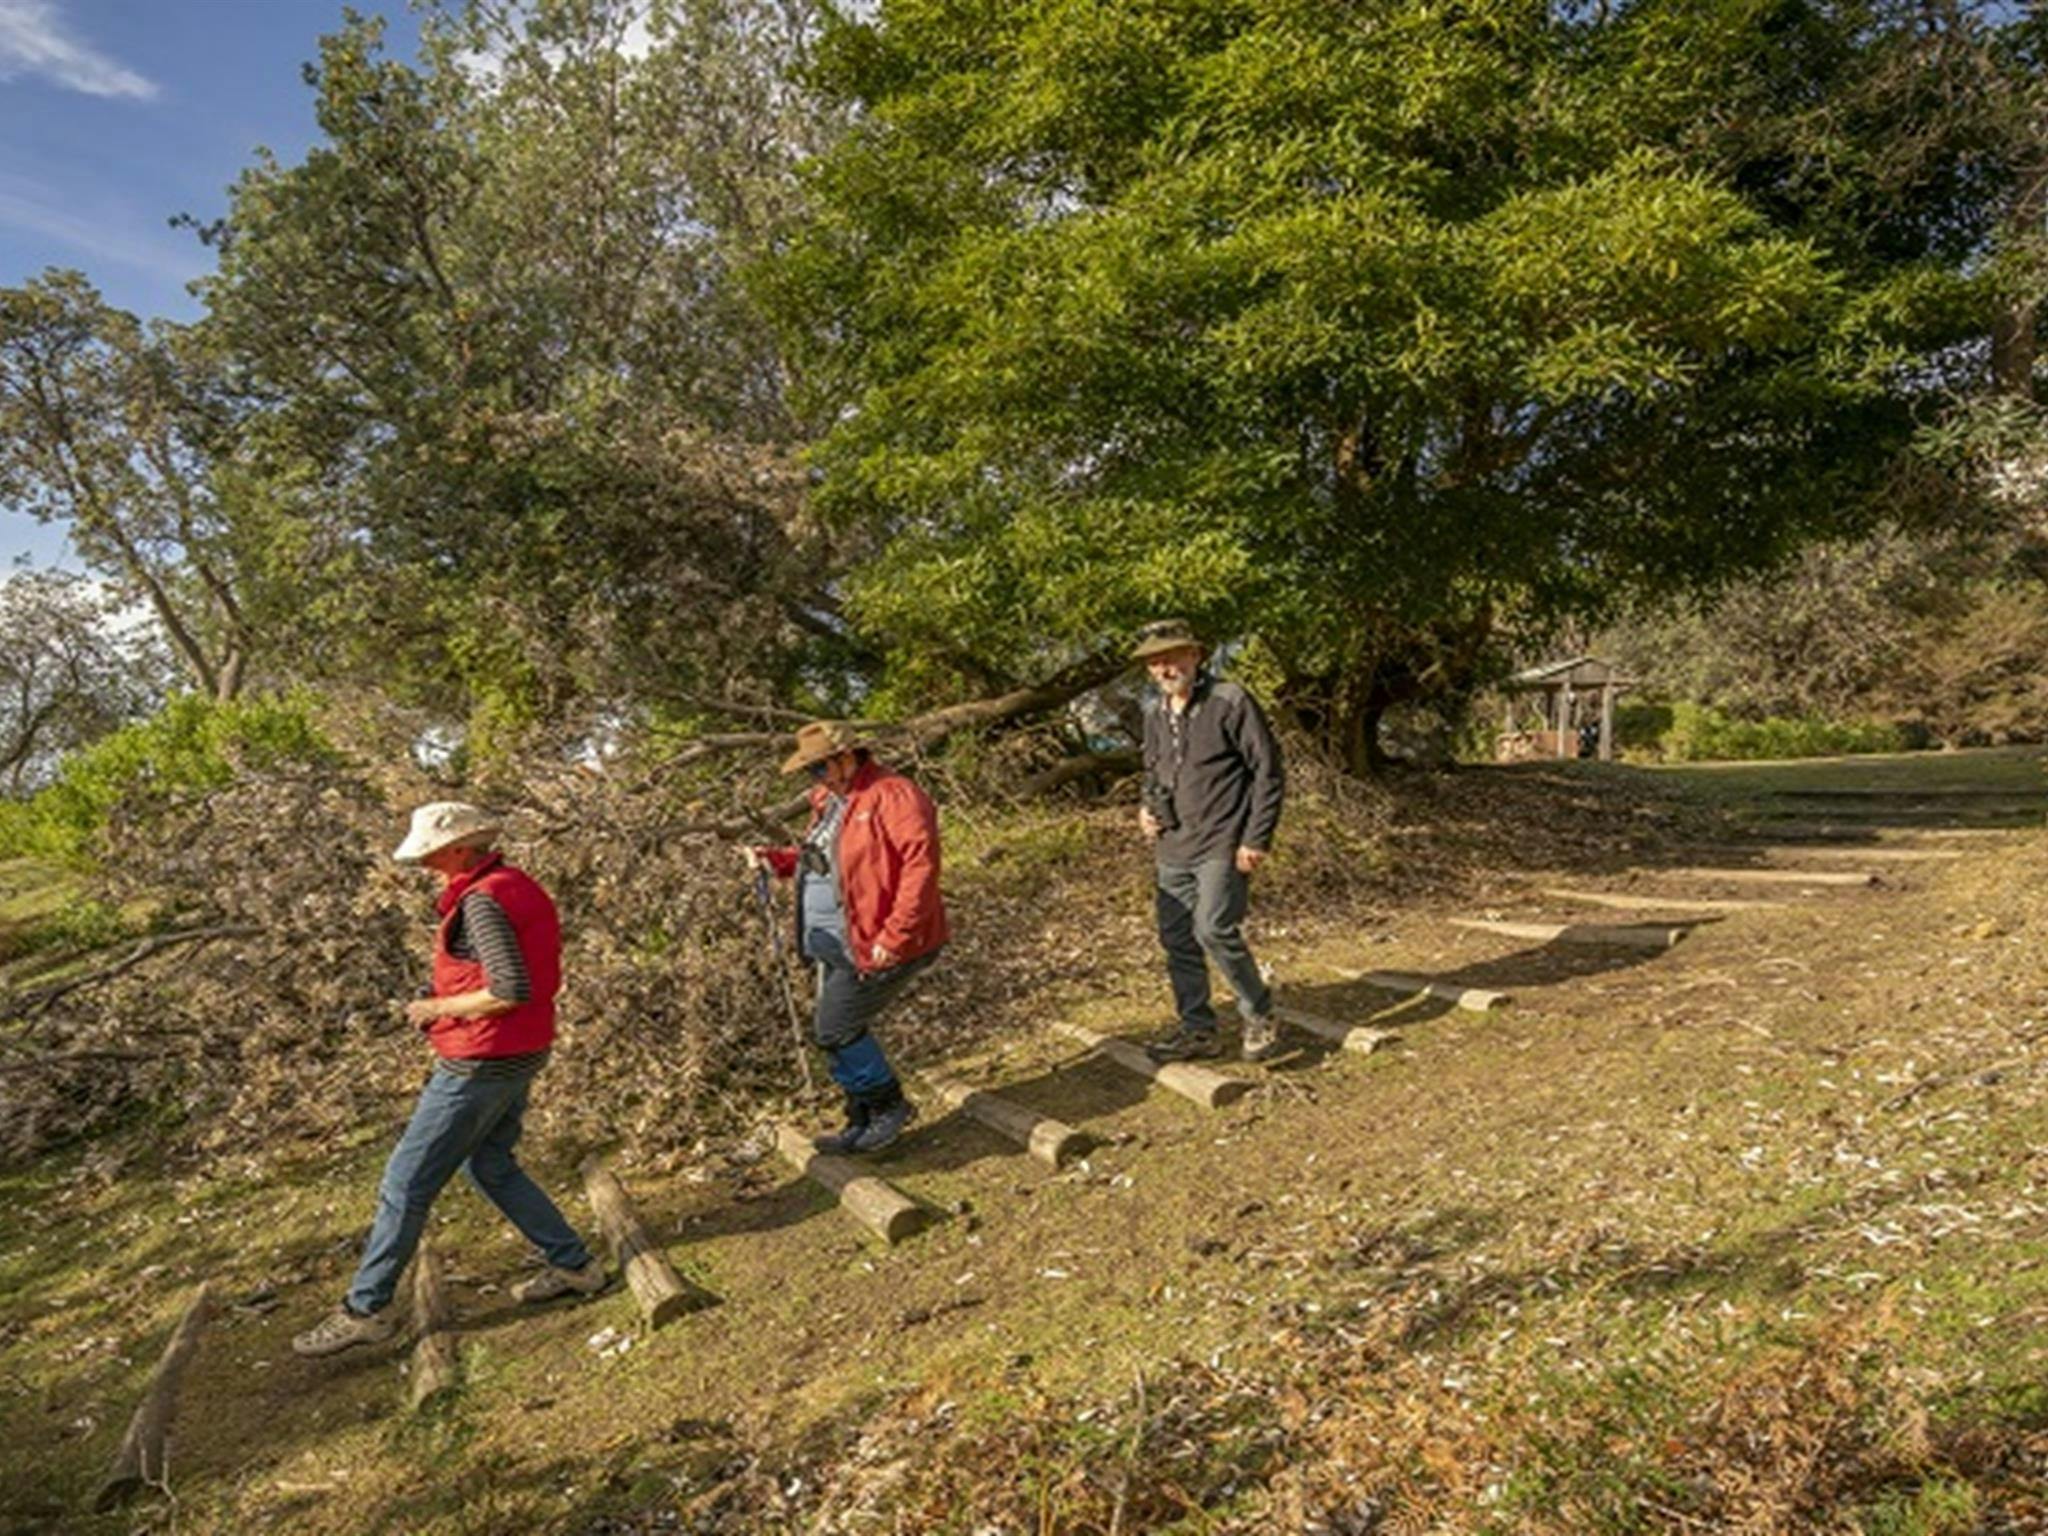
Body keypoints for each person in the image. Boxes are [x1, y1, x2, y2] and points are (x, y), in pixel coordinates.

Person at [293, 803, 605, 1358]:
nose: (423, 863)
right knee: (490, 1164)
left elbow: (508, 989)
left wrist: (434, 1006)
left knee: (404, 1183)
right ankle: (573, 1264)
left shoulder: (482, 902)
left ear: (461, 848)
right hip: (521, 1049)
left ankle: (366, 1309)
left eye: (430, 851)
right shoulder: (515, 884)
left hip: (479, 1060)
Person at [747, 721, 948, 1154]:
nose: (814, 780)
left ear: (847, 756)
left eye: (818, 768)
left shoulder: (894, 795)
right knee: (838, 1029)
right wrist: (778, 861)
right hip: (835, 941)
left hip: (879, 941)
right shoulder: (828, 799)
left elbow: (921, 868)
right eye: (809, 772)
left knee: (835, 1028)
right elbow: (819, 858)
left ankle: (889, 1107)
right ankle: (859, 1119)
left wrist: (895, 935)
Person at [1131, 619, 1286, 1063]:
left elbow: (1268, 772)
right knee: (1177, 938)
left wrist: (1256, 837)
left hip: (1224, 840)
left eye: (1172, 656)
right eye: (1154, 661)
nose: (1164, 667)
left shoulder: (1229, 700)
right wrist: (1145, 810)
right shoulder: (1154, 713)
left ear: (1195, 655)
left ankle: (1260, 1013)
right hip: (1173, 846)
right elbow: (1154, 774)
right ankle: (1198, 1030)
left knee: (1214, 928)